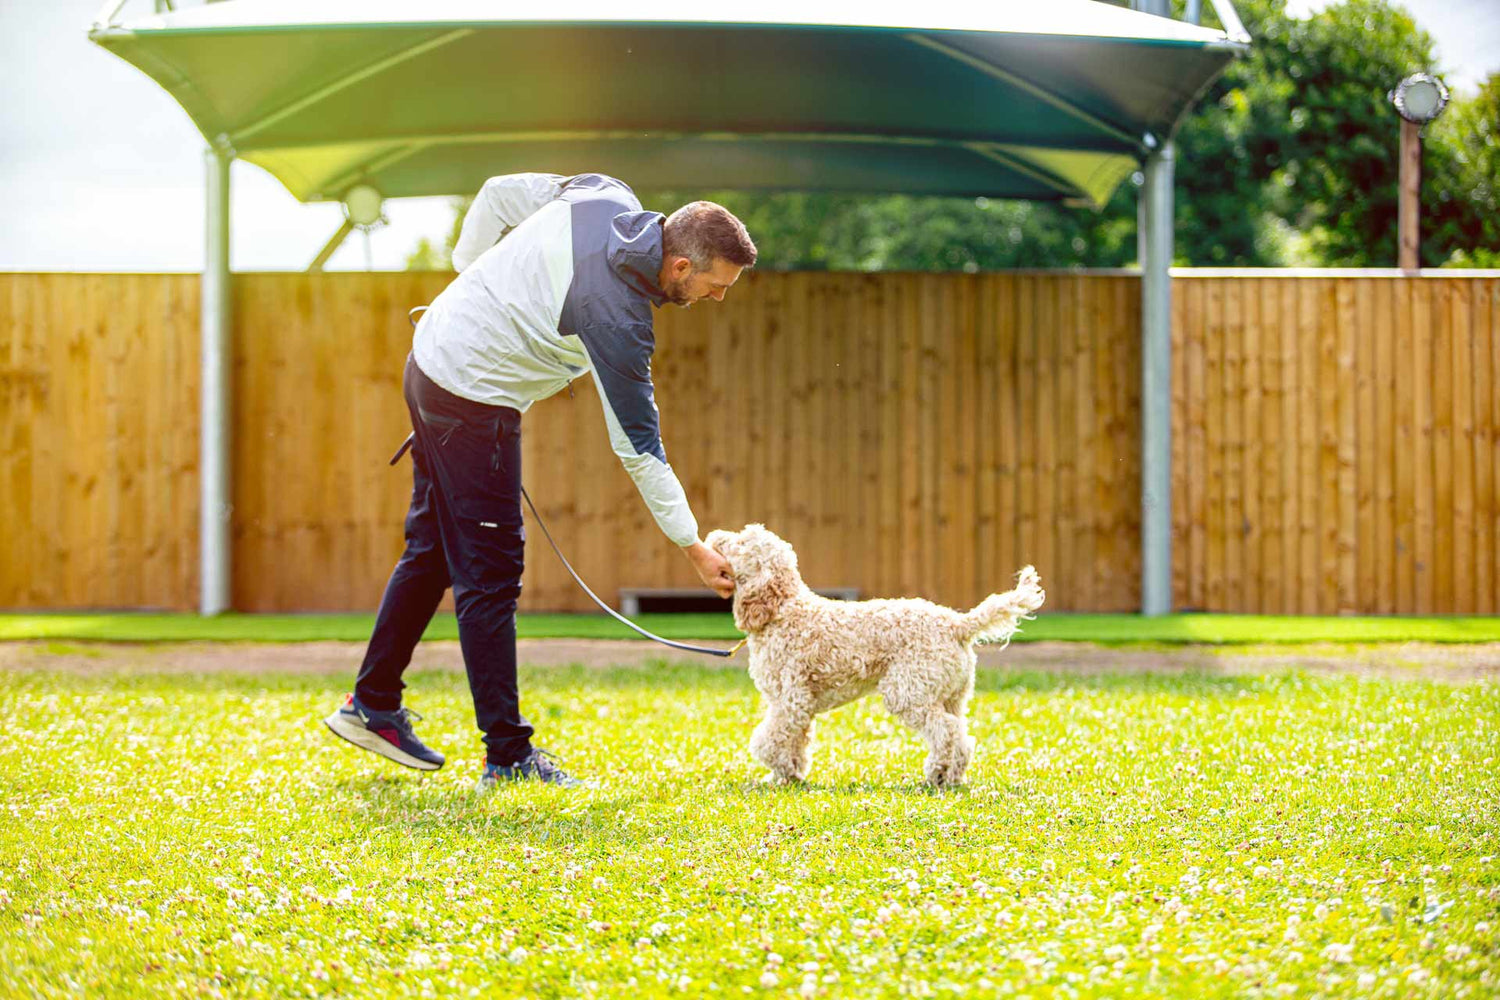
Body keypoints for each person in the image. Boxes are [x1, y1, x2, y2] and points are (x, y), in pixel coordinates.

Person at [323, 172, 756, 788]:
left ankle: (372, 703)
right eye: (715, 287)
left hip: (430, 360)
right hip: (471, 401)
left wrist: (469, 279)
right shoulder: (616, 319)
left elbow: (496, 191)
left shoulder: (603, 195)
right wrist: (692, 545)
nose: (717, 299)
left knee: (434, 550)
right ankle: (506, 755)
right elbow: (638, 447)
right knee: (491, 573)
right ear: (681, 264)